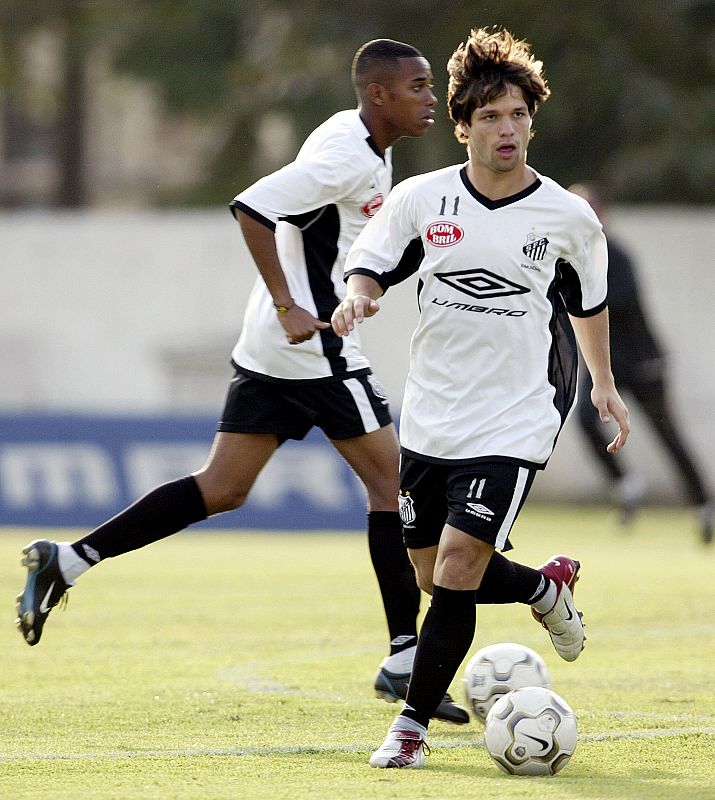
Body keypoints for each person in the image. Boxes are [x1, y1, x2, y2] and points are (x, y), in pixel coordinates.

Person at [15, 39, 469, 724]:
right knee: (393, 483)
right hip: (311, 345)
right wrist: (292, 304)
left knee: (222, 488)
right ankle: (405, 656)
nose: (429, 97)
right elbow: (252, 207)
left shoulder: (366, 143)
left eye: (428, 85)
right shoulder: (347, 153)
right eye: (416, 86)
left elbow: (334, 236)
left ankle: (69, 559)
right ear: (378, 93)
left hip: (269, 347)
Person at [331, 26, 630, 768]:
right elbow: (370, 265)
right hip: (433, 414)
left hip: (517, 411)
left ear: (533, 121)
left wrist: (602, 385)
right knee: (431, 571)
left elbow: (587, 306)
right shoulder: (419, 199)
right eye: (491, 116)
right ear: (463, 126)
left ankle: (410, 728)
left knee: (460, 564)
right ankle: (542, 588)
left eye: (518, 115)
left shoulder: (565, 217)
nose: (507, 129)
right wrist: (358, 298)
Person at [569, 183, 713, 543]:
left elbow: (618, 301)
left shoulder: (614, 255)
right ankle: (627, 484)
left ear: (600, 215)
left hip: (640, 362)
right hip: (604, 367)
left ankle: (703, 505)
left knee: (666, 433)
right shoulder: (573, 258)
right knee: (585, 420)